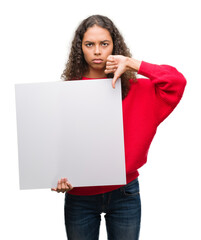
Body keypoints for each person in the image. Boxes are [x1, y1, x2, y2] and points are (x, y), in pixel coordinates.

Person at [51, 15, 186, 240]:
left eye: (104, 44)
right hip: (80, 196)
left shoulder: (138, 89)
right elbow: (55, 145)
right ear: (80, 48)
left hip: (125, 193)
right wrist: (55, 175)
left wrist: (132, 63)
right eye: (89, 44)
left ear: (115, 46)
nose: (97, 51)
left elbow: (176, 82)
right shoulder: (66, 94)